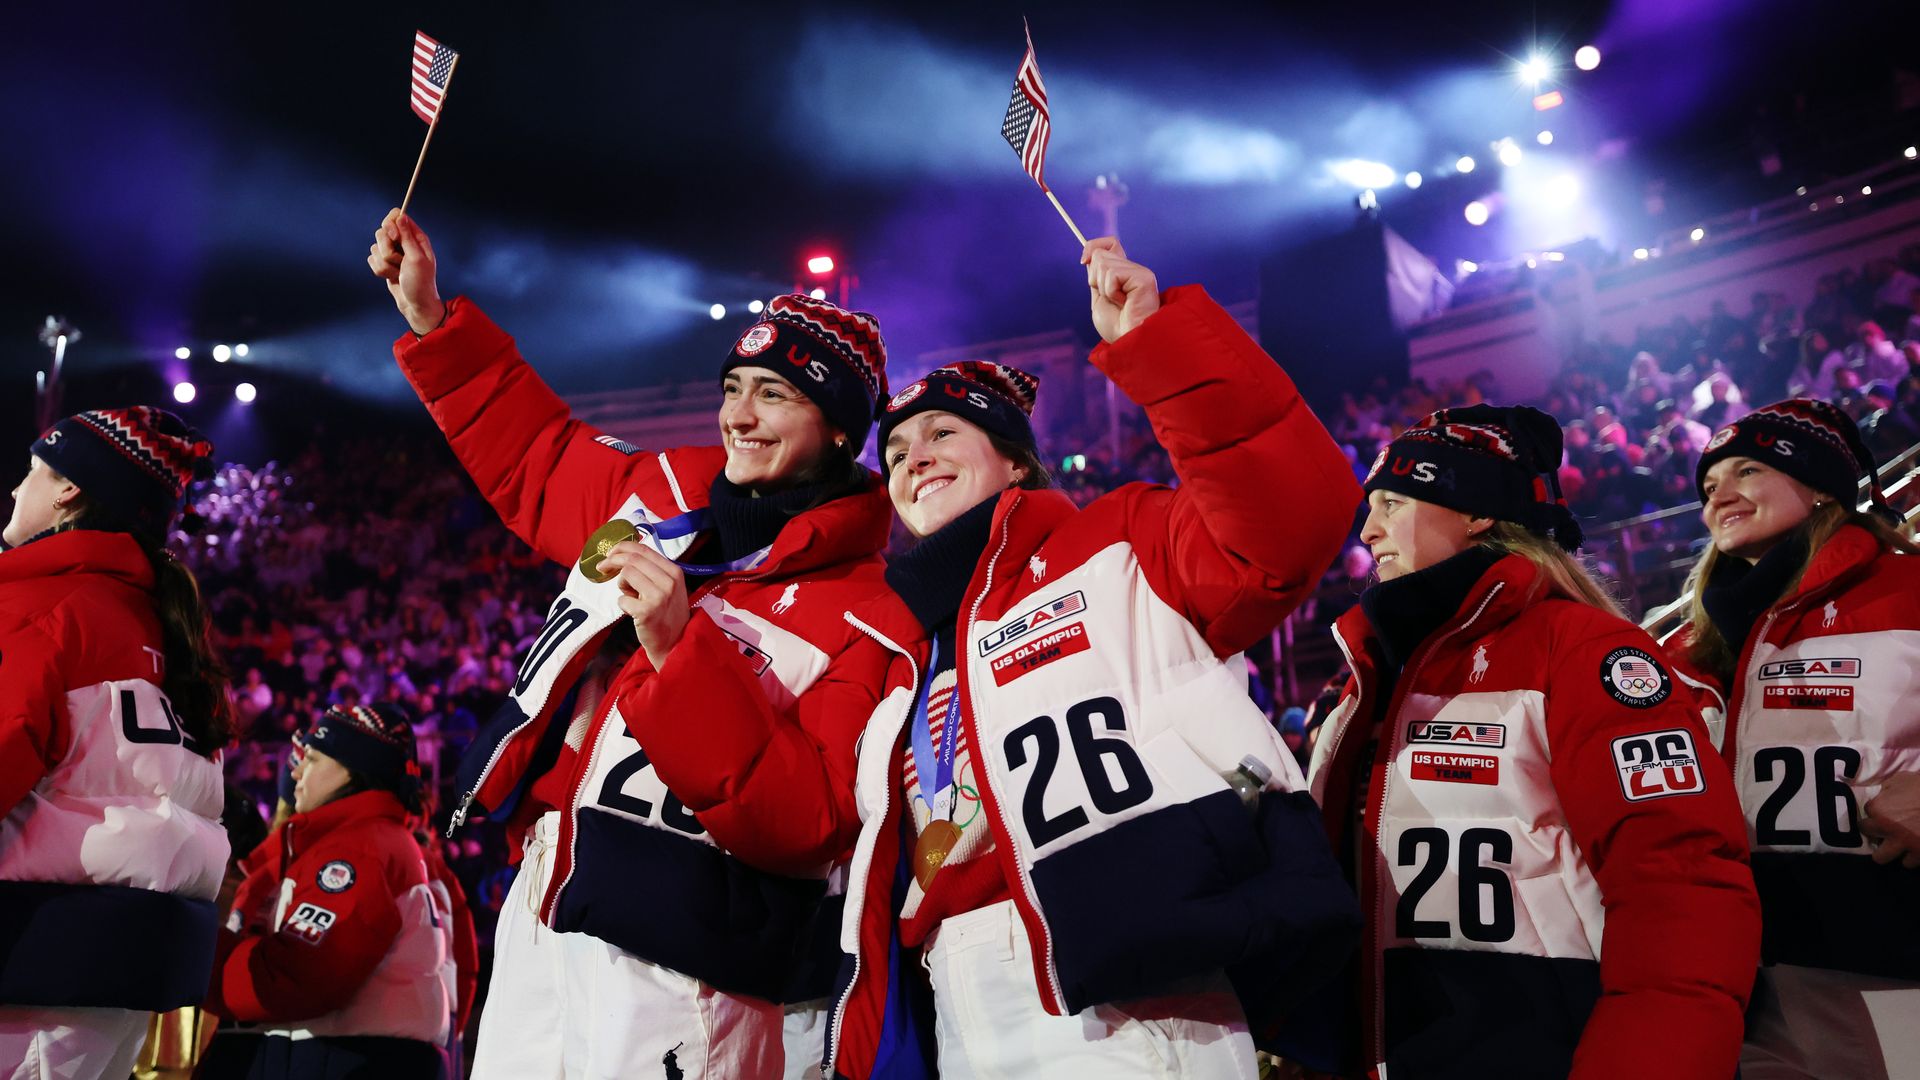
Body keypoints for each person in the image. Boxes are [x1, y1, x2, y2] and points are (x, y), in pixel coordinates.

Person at [803, 238, 1363, 1078]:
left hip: (1139, 1003)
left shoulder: (1115, 538)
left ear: (1016, 458)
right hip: (961, 1009)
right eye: (895, 449)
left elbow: (1290, 527)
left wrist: (1157, 345)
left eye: (942, 432)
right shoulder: (901, 643)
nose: (912, 457)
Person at [369, 208, 902, 1079]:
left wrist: (678, 647)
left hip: (690, 944)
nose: (743, 415)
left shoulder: (870, 608)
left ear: (843, 427)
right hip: (549, 898)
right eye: (736, 386)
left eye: (778, 394)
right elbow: (532, 455)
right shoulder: (651, 493)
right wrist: (432, 319)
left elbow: (806, 820)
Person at [1303, 404, 1760, 1079]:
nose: (1368, 531)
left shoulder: (1586, 651)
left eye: (1393, 504)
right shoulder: (1370, 675)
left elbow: (1682, 887)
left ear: (1476, 512)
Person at [1669, 398, 1920, 1078]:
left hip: (1892, 962)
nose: (1720, 494)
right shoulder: (1687, 650)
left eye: (1747, 470)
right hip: (1745, 976)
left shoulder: (1908, 589)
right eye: (1709, 485)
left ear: (1817, 488)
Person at [0, 407, 231, 1080]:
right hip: (114, 971)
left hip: (32, 963)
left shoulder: (45, 608)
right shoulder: (167, 626)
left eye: (32, 472)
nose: (16, 490)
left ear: (70, 489)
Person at [206, 703, 452, 1078]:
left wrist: (192, 952)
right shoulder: (350, 842)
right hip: (340, 1053)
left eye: (315, 759)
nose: (297, 771)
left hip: (348, 1058)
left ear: (354, 771)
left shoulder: (359, 848)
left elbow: (299, 976)